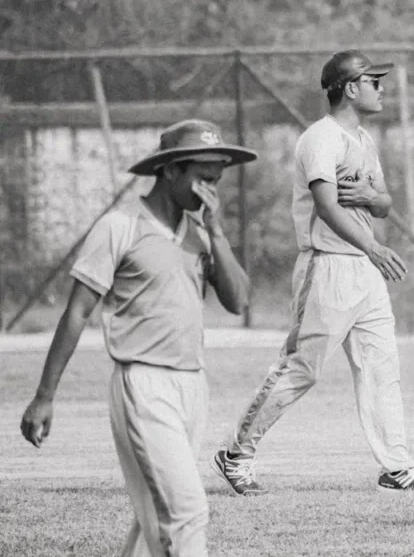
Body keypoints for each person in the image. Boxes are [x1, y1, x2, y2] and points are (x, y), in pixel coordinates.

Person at [212, 50, 414, 494]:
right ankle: (236, 451)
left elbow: (383, 204)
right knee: (302, 367)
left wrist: (368, 199)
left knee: (382, 367)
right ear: (350, 86)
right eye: (373, 80)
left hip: (364, 270)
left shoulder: (364, 140)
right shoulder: (321, 138)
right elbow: (326, 204)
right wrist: (373, 244)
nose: (381, 88)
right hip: (328, 266)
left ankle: (396, 466)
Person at [19, 119, 257, 556]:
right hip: (142, 384)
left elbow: (238, 301)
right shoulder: (120, 226)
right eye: (203, 178)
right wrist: (44, 395)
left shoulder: (202, 234)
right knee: (186, 511)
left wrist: (218, 233)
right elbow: (77, 311)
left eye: (217, 180)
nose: (212, 190)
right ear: (169, 170)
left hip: (192, 383)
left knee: (155, 511)